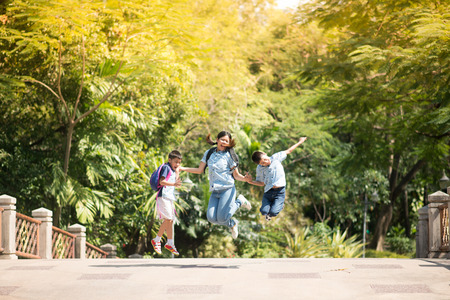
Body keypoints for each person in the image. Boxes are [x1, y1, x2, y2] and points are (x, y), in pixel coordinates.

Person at [181, 131, 252, 239]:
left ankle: (239, 201)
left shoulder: (230, 156)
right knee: (211, 218)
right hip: (215, 190)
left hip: (227, 189)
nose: (224, 142)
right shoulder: (209, 153)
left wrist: (244, 179)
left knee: (222, 218)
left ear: (229, 144)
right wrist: (182, 168)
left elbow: (236, 175)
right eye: (222, 139)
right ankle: (232, 223)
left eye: (226, 141)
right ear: (217, 140)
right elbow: (200, 170)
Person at [248, 137, 308, 221]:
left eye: (265, 159)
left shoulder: (276, 157)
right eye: (262, 163)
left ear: (265, 154)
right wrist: (250, 181)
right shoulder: (259, 169)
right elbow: (261, 183)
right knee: (263, 211)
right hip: (268, 191)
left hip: (279, 191)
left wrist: (300, 142)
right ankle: (275, 206)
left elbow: (288, 151)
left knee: (273, 212)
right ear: (259, 164)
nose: (266, 162)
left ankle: (279, 205)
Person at [151, 150, 182, 256]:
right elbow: (161, 182)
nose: (177, 164)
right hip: (163, 196)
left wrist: (177, 173)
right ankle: (157, 239)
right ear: (170, 160)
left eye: (179, 162)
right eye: (175, 162)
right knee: (168, 219)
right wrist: (173, 183)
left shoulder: (173, 170)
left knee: (171, 220)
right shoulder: (166, 168)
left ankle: (170, 243)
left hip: (169, 198)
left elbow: (176, 182)